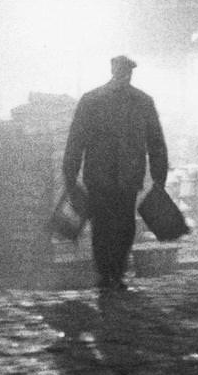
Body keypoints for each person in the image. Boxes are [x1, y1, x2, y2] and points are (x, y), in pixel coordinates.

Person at [62, 55, 169, 292]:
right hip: (127, 176)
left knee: (103, 225)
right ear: (128, 73)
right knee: (123, 225)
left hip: (100, 175)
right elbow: (156, 142)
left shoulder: (91, 100)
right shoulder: (142, 101)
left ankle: (105, 274)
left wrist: (70, 174)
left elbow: (75, 141)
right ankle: (116, 273)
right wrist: (159, 177)